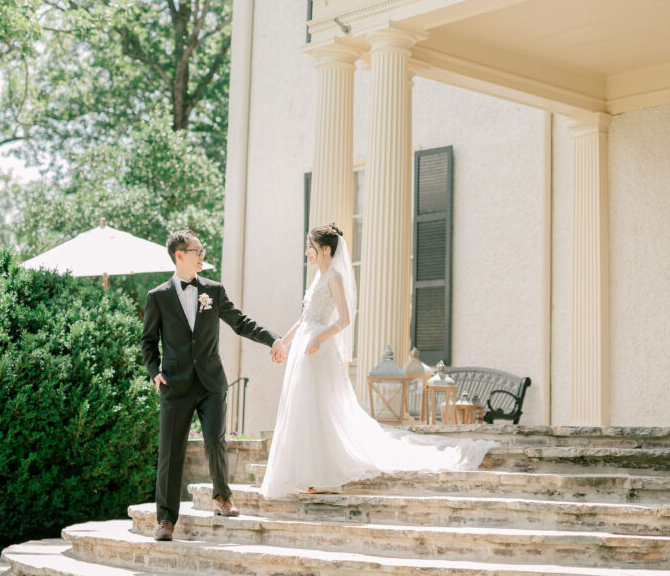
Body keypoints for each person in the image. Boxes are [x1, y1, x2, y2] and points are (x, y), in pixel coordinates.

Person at [260, 223, 498, 498]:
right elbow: (304, 319)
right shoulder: (316, 278)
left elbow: (345, 320)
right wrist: (282, 343)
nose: (306, 253)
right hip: (304, 349)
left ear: (325, 250)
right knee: (303, 408)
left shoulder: (334, 278)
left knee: (320, 409)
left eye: (310, 248)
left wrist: (319, 338)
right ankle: (305, 472)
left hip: (318, 350)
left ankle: (320, 473)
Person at [141, 229, 286, 541]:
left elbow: (240, 322)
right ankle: (166, 520)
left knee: (215, 441)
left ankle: (222, 497)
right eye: (197, 250)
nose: (202, 256)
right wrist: (155, 372)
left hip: (211, 382)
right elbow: (148, 342)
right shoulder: (158, 297)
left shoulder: (213, 290)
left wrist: (272, 338)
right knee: (170, 452)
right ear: (180, 255)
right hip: (175, 385)